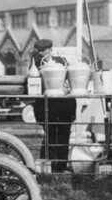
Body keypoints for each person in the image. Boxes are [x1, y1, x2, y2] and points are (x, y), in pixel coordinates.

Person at [30, 38, 77, 173]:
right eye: (38, 51)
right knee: (49, 136)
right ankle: (48, 167)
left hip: (63, 105)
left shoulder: (62, 61)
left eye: (43, 51)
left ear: (51, 50)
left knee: (63, 136)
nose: (40, 54)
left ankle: (61, 166)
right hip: (47, 106)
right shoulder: (35, 64)